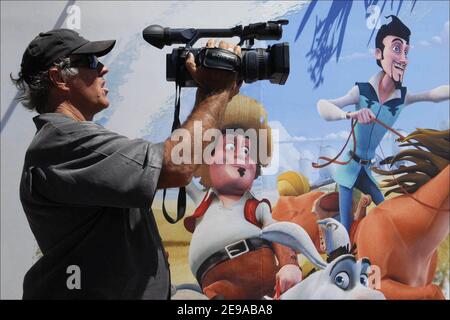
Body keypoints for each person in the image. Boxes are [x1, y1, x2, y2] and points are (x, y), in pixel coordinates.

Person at [12, 28, 242, 299]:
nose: (104, 69)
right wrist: (216, 90)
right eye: (91, 62)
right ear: (59, 78)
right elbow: (176, 166)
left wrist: (211, 94)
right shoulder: (64, 142)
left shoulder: (69, 142)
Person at [316, 15, 449, 233]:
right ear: (379, 54)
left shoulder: (401, 97)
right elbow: (323, 105)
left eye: (406, 51)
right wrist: (351, 115)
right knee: (345, 228)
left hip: (366, 171)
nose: (403, 58)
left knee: (388, 212)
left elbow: (433, 95)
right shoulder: (362, 91)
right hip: (348, 169)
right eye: (396, 48)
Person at [184, 96, 302, 299]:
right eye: (230, 147)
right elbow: (180, 172)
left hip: (257, 277)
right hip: (214, 286)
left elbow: (278, 232)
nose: (241, 155)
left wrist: (289, 264)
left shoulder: (256, 207)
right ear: (209, 157)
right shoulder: (202, 200)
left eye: (247, 150)